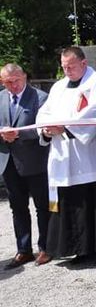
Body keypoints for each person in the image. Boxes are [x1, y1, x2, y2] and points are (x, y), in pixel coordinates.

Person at [36, 46, 96, 264]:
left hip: (90, 154)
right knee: (73, 203)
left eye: (71, 66)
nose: (67, 71)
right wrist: (45, 129)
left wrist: (66, 128)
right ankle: (80, 249)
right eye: (64, 67)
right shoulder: (58, 87)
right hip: (64, 156)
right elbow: (44, 112)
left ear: (83, 63)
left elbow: (95, 111)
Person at [0, 64, 51, 268]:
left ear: (24, 77)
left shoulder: (40, 98)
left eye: (16, 80)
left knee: (42, 206)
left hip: (35, 161)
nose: (12, 85)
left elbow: (44, 128)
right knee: (17, 207)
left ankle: (46, 247)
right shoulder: (1, 98)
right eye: (7, 82)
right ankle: (24, 250)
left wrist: (19, 133)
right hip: (9, 161)